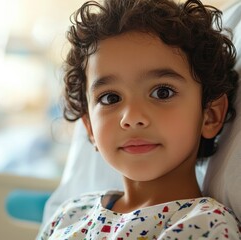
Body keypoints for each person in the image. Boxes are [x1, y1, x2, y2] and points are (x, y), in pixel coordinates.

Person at [38, 0, 241, 239]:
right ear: (90, 127)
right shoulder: (69, 215)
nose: (132, 118)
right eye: (110, 98)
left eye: (162, 92)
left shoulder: (205, 225)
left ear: (210, 115)